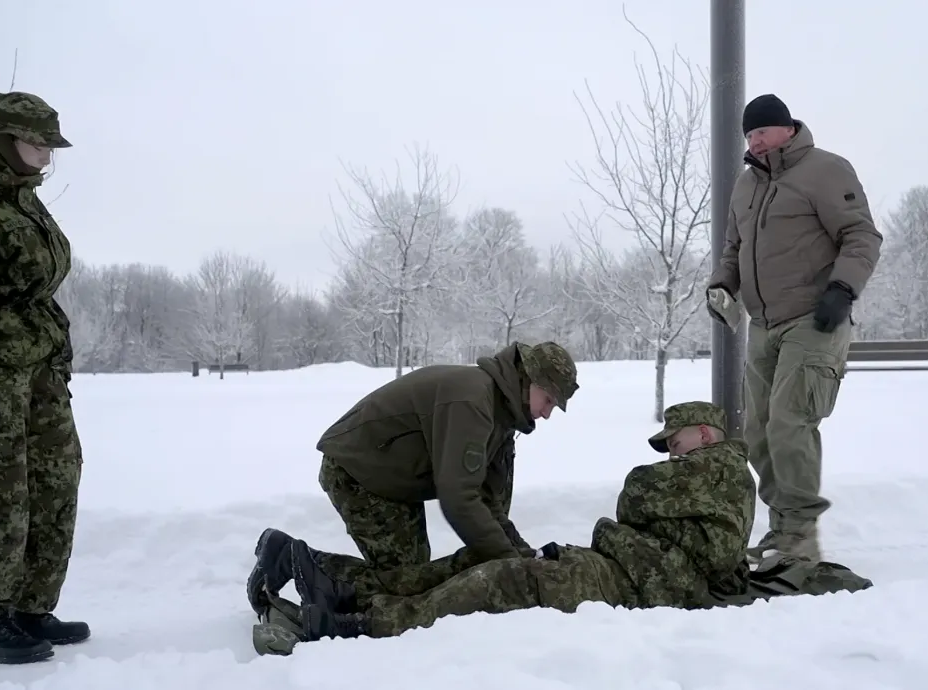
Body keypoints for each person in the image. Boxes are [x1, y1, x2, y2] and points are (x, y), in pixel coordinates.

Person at [249, 401, 762, 649]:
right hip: (624, 569)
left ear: (704, 434)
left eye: (675, 443)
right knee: (480, 559)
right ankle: (332, 578)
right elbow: (640, 504)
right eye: (668, 447)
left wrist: (623, 530)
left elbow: (637, 490)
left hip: (641, 585)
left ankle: (353, 624)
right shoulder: (706, 478)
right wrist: (625, 533)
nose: (670, 454)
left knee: (508, 579)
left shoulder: (721, 468)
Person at [0, 91, 89, 665]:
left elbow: (39, 284)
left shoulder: (21, 198)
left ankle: (31, 607)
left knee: (56, 482)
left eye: (51, 146)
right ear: (3, 140)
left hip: (39, 366)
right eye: (37, 144)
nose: (47, 156)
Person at [707, 94, 883, 563]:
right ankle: (782, 529)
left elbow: (861, 235)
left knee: (789, 424)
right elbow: (733, 248)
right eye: (749, 134)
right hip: (763, 325)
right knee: (758, 433)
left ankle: (801, 540)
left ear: (787, 128)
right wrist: (722, 284)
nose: (755, 141)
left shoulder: (825, 170)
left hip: (814, 318)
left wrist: (843, 288)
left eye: (762, 130)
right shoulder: (746, 185)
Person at [309, 341, 578, 572]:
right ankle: (307, 568)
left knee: (413, 575)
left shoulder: (504, 415)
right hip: (357, 466)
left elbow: (488, 500)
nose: (547, 414)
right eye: (548, 400)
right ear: (529, 380)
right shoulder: (472, 401)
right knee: (402, 581)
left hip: (393, 476)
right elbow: (459, 498)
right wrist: (510, 564)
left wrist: (523, 555)